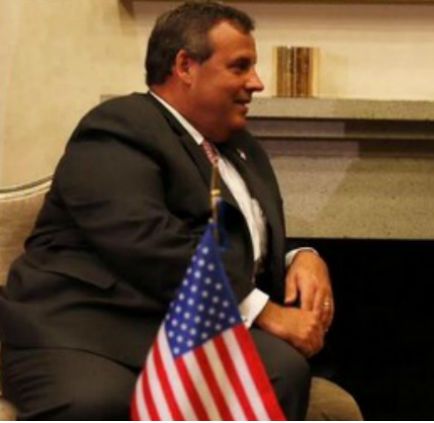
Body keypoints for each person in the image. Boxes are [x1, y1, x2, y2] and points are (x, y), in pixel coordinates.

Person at [0, 1, 335, 419]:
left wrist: (299, 256)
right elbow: (144, 240)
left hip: (174, 327)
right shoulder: (119, 127)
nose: (257, 82)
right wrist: (263, 310)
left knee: (279, 370)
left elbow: (239, 234)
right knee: (98, 402)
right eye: (240, 66)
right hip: (83, 328)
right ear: (185, 66)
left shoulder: (241, 148)